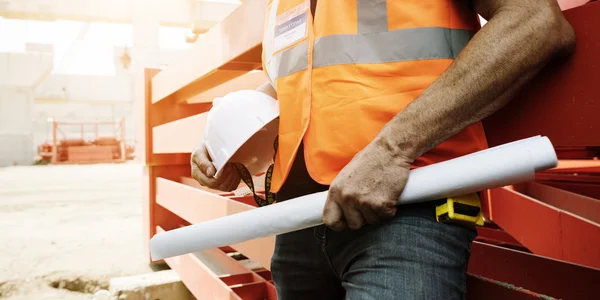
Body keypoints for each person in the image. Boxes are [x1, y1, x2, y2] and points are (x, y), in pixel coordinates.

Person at [191, 0, 576, 299]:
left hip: (407, 209)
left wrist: (393, 150)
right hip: (298, 225)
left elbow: (535, 21)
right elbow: (297, 83)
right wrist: (225, 138)